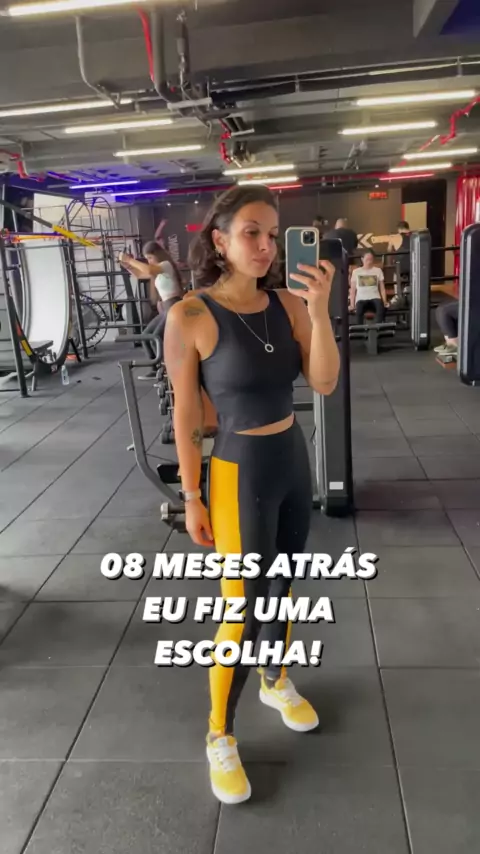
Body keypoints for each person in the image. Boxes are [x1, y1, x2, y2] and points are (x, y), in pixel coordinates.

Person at [164, 185, 340, 806]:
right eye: (251, 234)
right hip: (238, 471)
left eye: (272, 234)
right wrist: (191, 496)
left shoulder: (289, 303)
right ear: (220, 240)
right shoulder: (190, 315)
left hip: (291, 460)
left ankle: (274, 678)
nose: (266, 246)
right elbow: (188, 414)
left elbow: (323, 381)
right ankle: (219, 733)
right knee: (240, 608)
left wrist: (320, 312)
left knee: (284, 584)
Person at [119, 241, 184, 379]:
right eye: (147, 258)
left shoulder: (165, 265)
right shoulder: (157, 270)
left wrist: (129, 259)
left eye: (150, 257)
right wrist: (128, 266)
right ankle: (155, 369)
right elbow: (140, 275)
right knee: (146, 335)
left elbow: (148, 270)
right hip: (167, 308)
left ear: (158, 255)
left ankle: (166, 368)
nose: (149, 261)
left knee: (156, 337)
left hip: (174, 306)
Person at [350, 250, 388, 324]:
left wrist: (385, 301)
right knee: (358, 311)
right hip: (361, 298)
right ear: (362, 259)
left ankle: (377, 327)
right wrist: (352, 304)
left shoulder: (378, 271)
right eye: (367, 259)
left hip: (375, 297)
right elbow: (353, 290)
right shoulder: (356, 272)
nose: (369, 262)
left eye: (371, 259)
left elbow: (382, 288)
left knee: (381, 307)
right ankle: (359, 329)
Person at [388, 221, 411, 307]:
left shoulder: (395, 237)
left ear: (399, 229)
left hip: (401, 267)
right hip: (414, 265)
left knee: (396, 275)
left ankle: (397, 295)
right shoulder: (415, 236)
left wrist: (391, 242)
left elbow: (389, 250)